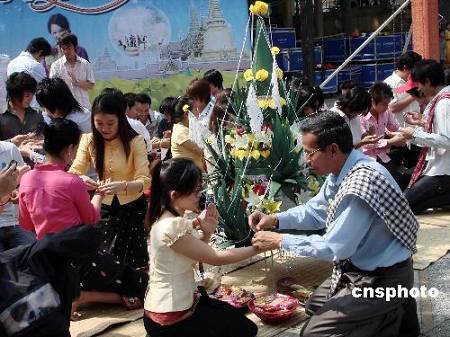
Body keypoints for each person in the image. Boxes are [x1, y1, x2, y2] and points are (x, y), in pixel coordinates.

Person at [250, 111, 420, 337]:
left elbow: (335, 248)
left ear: (332, 149)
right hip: (358, 270)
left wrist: (280, 240)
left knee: (312, 333)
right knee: (314, 306)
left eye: (310, 153)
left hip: (382, 279)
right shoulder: (342, 170)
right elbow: (315, 211)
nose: (307, 160)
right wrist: (276, 219)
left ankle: (390, 316)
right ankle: (387, 312)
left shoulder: (361, 185)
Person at [18, 118, 147, 318]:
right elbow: (91, 218)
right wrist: (99, 194)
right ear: (69, 150)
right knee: (140, 284)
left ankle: (77, 294)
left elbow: (25, 223)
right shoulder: (71, 181)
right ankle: (82, 296)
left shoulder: (26, 179)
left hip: (48, 258)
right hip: (80, 258)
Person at [144, 157, 259, 337]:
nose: (200, 195)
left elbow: (190, 254)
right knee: (244, 330)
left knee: (237, 319)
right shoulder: (171, 225)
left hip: (172, 308)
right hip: (169, 318)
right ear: (175, 195)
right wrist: (259, 247)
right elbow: (215, 257)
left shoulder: (168, 219)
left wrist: (207, 232)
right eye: (195, 190)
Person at [69, 91, 151, 269]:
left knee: (134, 258)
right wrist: (82, 179)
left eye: (110, 123)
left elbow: (145, 180)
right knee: (105, 256)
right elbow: (74, 171)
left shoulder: (136, 141)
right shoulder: (88, 140)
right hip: (103, 205)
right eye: (99, 123)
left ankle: (135, 293)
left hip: (132, 206)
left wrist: (123, 186)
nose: (104, 128)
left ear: (120, 119)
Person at [396, 60, 450, 213]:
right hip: (440, 169)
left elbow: (447, 140)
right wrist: (423, 122)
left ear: (427, 81)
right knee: (414, 205)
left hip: (443, 171)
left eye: (419, 83)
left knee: (402, 205)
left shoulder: (443, 103)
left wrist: (414, 134)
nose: (418, 88)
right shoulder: (443, 99)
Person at [360, 82, 408, 188]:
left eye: (388, 104)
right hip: (366, 159)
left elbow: (395, 127)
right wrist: (391, 141)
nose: (387, 107)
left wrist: (410, 132)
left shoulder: (386, 112)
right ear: (372, 101)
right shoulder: (361, 116)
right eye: (384, 104)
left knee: (401, 181)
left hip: (383, 156)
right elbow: (365, 144)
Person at [0, 141, 33, 251]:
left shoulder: (9, 149)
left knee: (33, 255)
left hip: (14, 221)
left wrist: (19, 192)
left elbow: (23, 183)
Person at [49, 33, 95, 110]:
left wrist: (77, 83)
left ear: (75, 47)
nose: (66, 51)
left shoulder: (85, 64)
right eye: (63, 48)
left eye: (69, 48)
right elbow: (51, 88)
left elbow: (91, 85)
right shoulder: (56, 66)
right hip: (64, 109)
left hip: (83, 107)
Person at [0, 72, 44, 147]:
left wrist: (39, 138)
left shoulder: (37, 113)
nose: (30, 99)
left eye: (32, 95)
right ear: (14, 94)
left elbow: (44, 135)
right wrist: (11, 142)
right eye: (27, 96)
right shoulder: (1, 115)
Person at [384, 51, 423, 126]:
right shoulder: (389, 84)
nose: (417, 73)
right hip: (399, 131)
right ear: (405, 68)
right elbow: (392, 108)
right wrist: (413, 95)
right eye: (415, 70)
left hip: (417, 129)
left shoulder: (416, 81)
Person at [170, 97, 205, 172]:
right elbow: (202, 151)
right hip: (186, 175)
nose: (199, 113)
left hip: (194, 173)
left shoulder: (189, 128)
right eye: (196, 110)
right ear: (186, 114)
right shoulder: (180, 131)